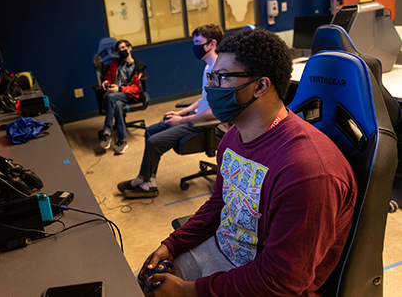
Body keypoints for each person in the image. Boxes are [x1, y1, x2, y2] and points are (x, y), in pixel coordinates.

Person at [138, 28, 357, 296]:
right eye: (211, 78)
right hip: (222, 253)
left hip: (262, 283)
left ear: (260, 86)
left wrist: (189, 290)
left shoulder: (307, 171)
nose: (211, 87)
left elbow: (281, 282)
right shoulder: (233, 136)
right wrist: (172, 244)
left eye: (220, 78)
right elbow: (220, 203)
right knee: (145, 283)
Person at [118, 24, 223, 198]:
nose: (194, 46)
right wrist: (181, 113)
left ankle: (147, 187)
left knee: (154, 141)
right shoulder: (208, 67)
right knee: (151, 131)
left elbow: (215, 112)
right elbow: (204, 99)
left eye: (198, 42)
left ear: (212, 44)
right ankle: (145, 178)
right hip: (196, 118)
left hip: (206, 123)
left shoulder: (218, 70)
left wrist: (182, 121)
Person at [99, 39, 146, 154]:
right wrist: (106, 81)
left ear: (130, 48)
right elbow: (109, 75)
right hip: (117, 94)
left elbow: (135, 88)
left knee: (111, 97)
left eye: (123, 48)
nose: (121, 51)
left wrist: (119, 89)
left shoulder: (138, 67)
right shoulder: (115, 62)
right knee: (117, 105)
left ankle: (107, 131)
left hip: (128, 94)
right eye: (119, 49)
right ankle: (122, 141)